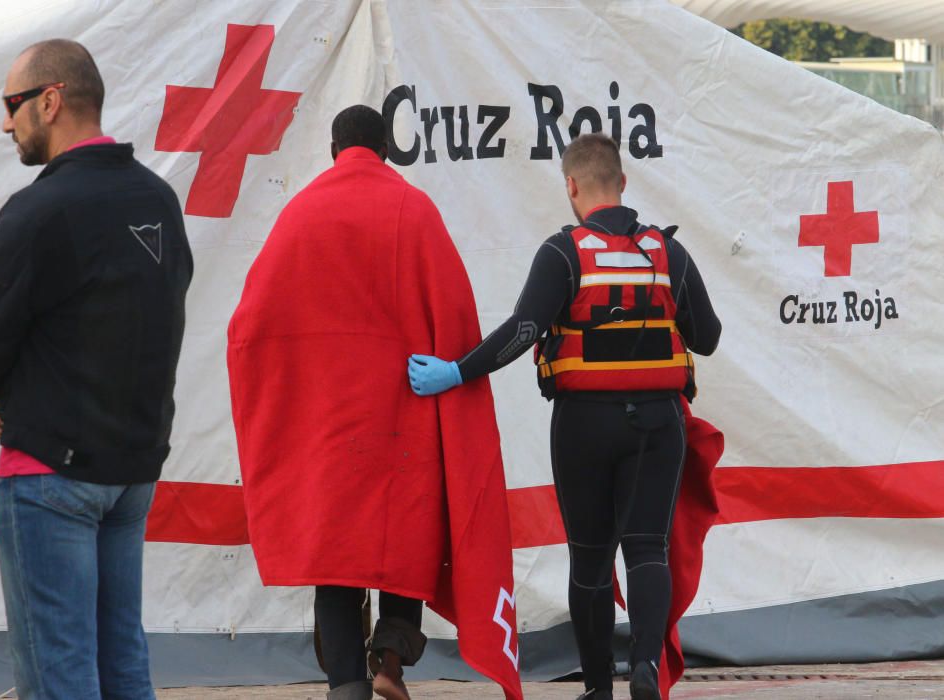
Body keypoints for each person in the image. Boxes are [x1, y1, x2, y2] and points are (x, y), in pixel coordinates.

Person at [408, 133, 721, 700]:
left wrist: (457, 371)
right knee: (648, 549)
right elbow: (710, 338)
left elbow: (524, 329)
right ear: (623, 182)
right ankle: (646, 668)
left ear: (571, 187)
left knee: (590, 557)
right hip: (658, 423)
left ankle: (599, 688)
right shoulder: (668, 252)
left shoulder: (563, 252)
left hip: (583, 425)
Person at [226, 106, 522, 700]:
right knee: (401, 544)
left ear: (334, 148)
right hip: (402, 420)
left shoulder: (300, 213)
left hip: (328, 427)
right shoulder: (414, 209)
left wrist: (293, 387)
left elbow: (248, 330)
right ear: (387, 148)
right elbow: (458, 318)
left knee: (337, 559)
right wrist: (450, 373)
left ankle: (345, 686)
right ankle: (389, 662)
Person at [0, 39, 193, 699]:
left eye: (13, 104)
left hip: (50, 477)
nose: (6, 122)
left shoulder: (39, 210)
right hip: (132, 476)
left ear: (50, 100)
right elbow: (149, 326)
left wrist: (5, 388)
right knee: (123, 667)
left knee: (61, 679)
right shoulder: (159, 202)